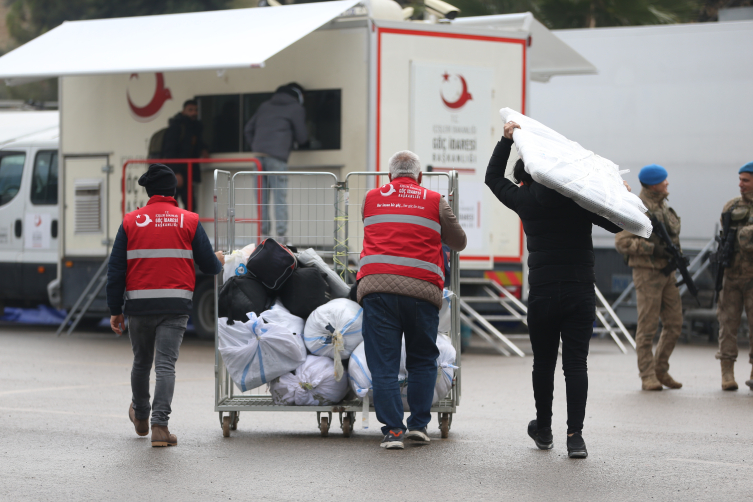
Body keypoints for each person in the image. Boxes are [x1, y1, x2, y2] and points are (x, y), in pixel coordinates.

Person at [485, 121, 625, 459]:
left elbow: (492, 178)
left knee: (544, 363)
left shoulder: (523, 199)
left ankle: (544, 429)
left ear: (525, 178)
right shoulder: (578, 197)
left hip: (543, 293)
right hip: (579, 291)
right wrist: (621, 193)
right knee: (576, 364)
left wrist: (506, 141)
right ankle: (575, 437)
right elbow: (617, 221)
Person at [106, 164, 224, 447]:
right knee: (165, 366)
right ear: (174, 191)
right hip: (175, 305)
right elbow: (210, 266)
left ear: (148, 192)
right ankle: (160, 427)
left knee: (141, 362)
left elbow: (116, 271)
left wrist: (115, 310)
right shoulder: (189, 220)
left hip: (138, 307)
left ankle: (141, 416)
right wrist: (218, 257)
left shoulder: (131, 221)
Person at [357, 150, 466, 450]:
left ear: (389, 176)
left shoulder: (370, 197)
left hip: (377, 290)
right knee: (421, 360)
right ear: (419, 177)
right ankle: (418, 426)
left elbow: (374, 224)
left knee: (384, 364)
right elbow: (459, 242)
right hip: (421, 293)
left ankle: (392, 431)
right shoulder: (434, 200)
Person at [615, 165, 683, 391]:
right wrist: (652, 249)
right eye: (664, 181)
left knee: (674, 323)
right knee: (647, 326)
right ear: (654, 184)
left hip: (667, 273)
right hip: (647, 273)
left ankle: (660, 369)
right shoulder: (636, 207)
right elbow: (622, 243)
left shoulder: (662, 206)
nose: (667, 184)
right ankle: (647, 375)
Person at [244, 83, 308, 242]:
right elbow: (303, 137)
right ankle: (281, 238)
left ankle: (264, 237)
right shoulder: (296, 108)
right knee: (279, 197)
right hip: (277, 157)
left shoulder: (264, 106)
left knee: (261, 197)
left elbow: (247, 129)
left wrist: (257, 145)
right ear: (298, 95)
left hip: (258, 157)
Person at [715, 161, 753, 391]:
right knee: (727, 325)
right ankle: (727, 373)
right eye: (740, 180)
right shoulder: (731, 206)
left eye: (745, 180)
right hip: (731, 276)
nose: (740, 184)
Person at [162, 99, 208, 211]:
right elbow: (169, 151)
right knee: (171, 207)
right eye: (190, 110)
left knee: (191, 206)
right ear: (183, 111)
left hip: (187, 172)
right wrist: (176, 173)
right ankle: (171, 228)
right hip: (175, 172)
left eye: (196, 110)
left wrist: (204, 149)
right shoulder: (176, 127)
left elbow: (195, 145)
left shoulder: (195, 128)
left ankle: (188, 228)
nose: (194, 113)